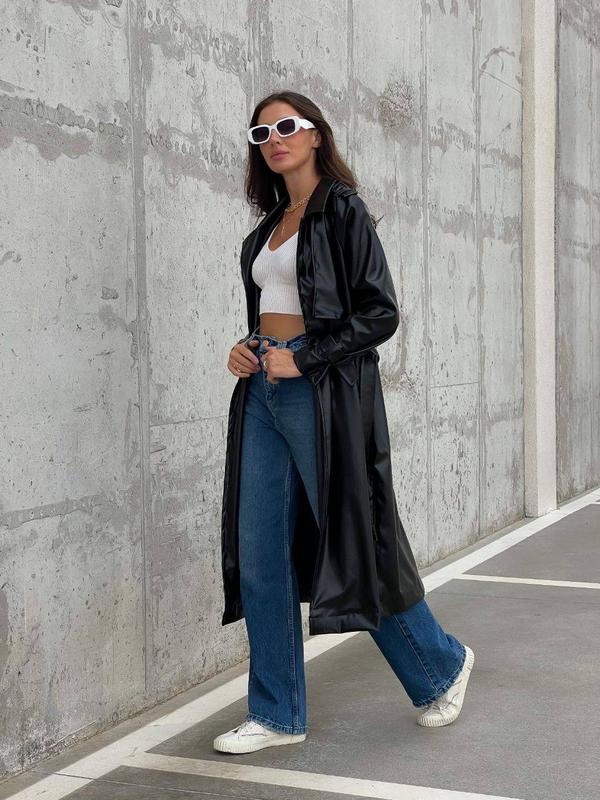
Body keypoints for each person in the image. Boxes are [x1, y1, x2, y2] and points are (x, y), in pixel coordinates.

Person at [214, 91, 474, 755]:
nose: (274, 139)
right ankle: (277, 714)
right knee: (260, 553)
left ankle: (440, 665)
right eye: (261, 133)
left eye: (286, 126)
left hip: (321, 392)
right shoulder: (268, 226)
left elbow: (379, 313)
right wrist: (247, 347)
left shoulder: (343, 210)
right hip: (262, 391)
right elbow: (276, 305)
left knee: (357, 540)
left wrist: (306, 357)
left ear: (315, 135)